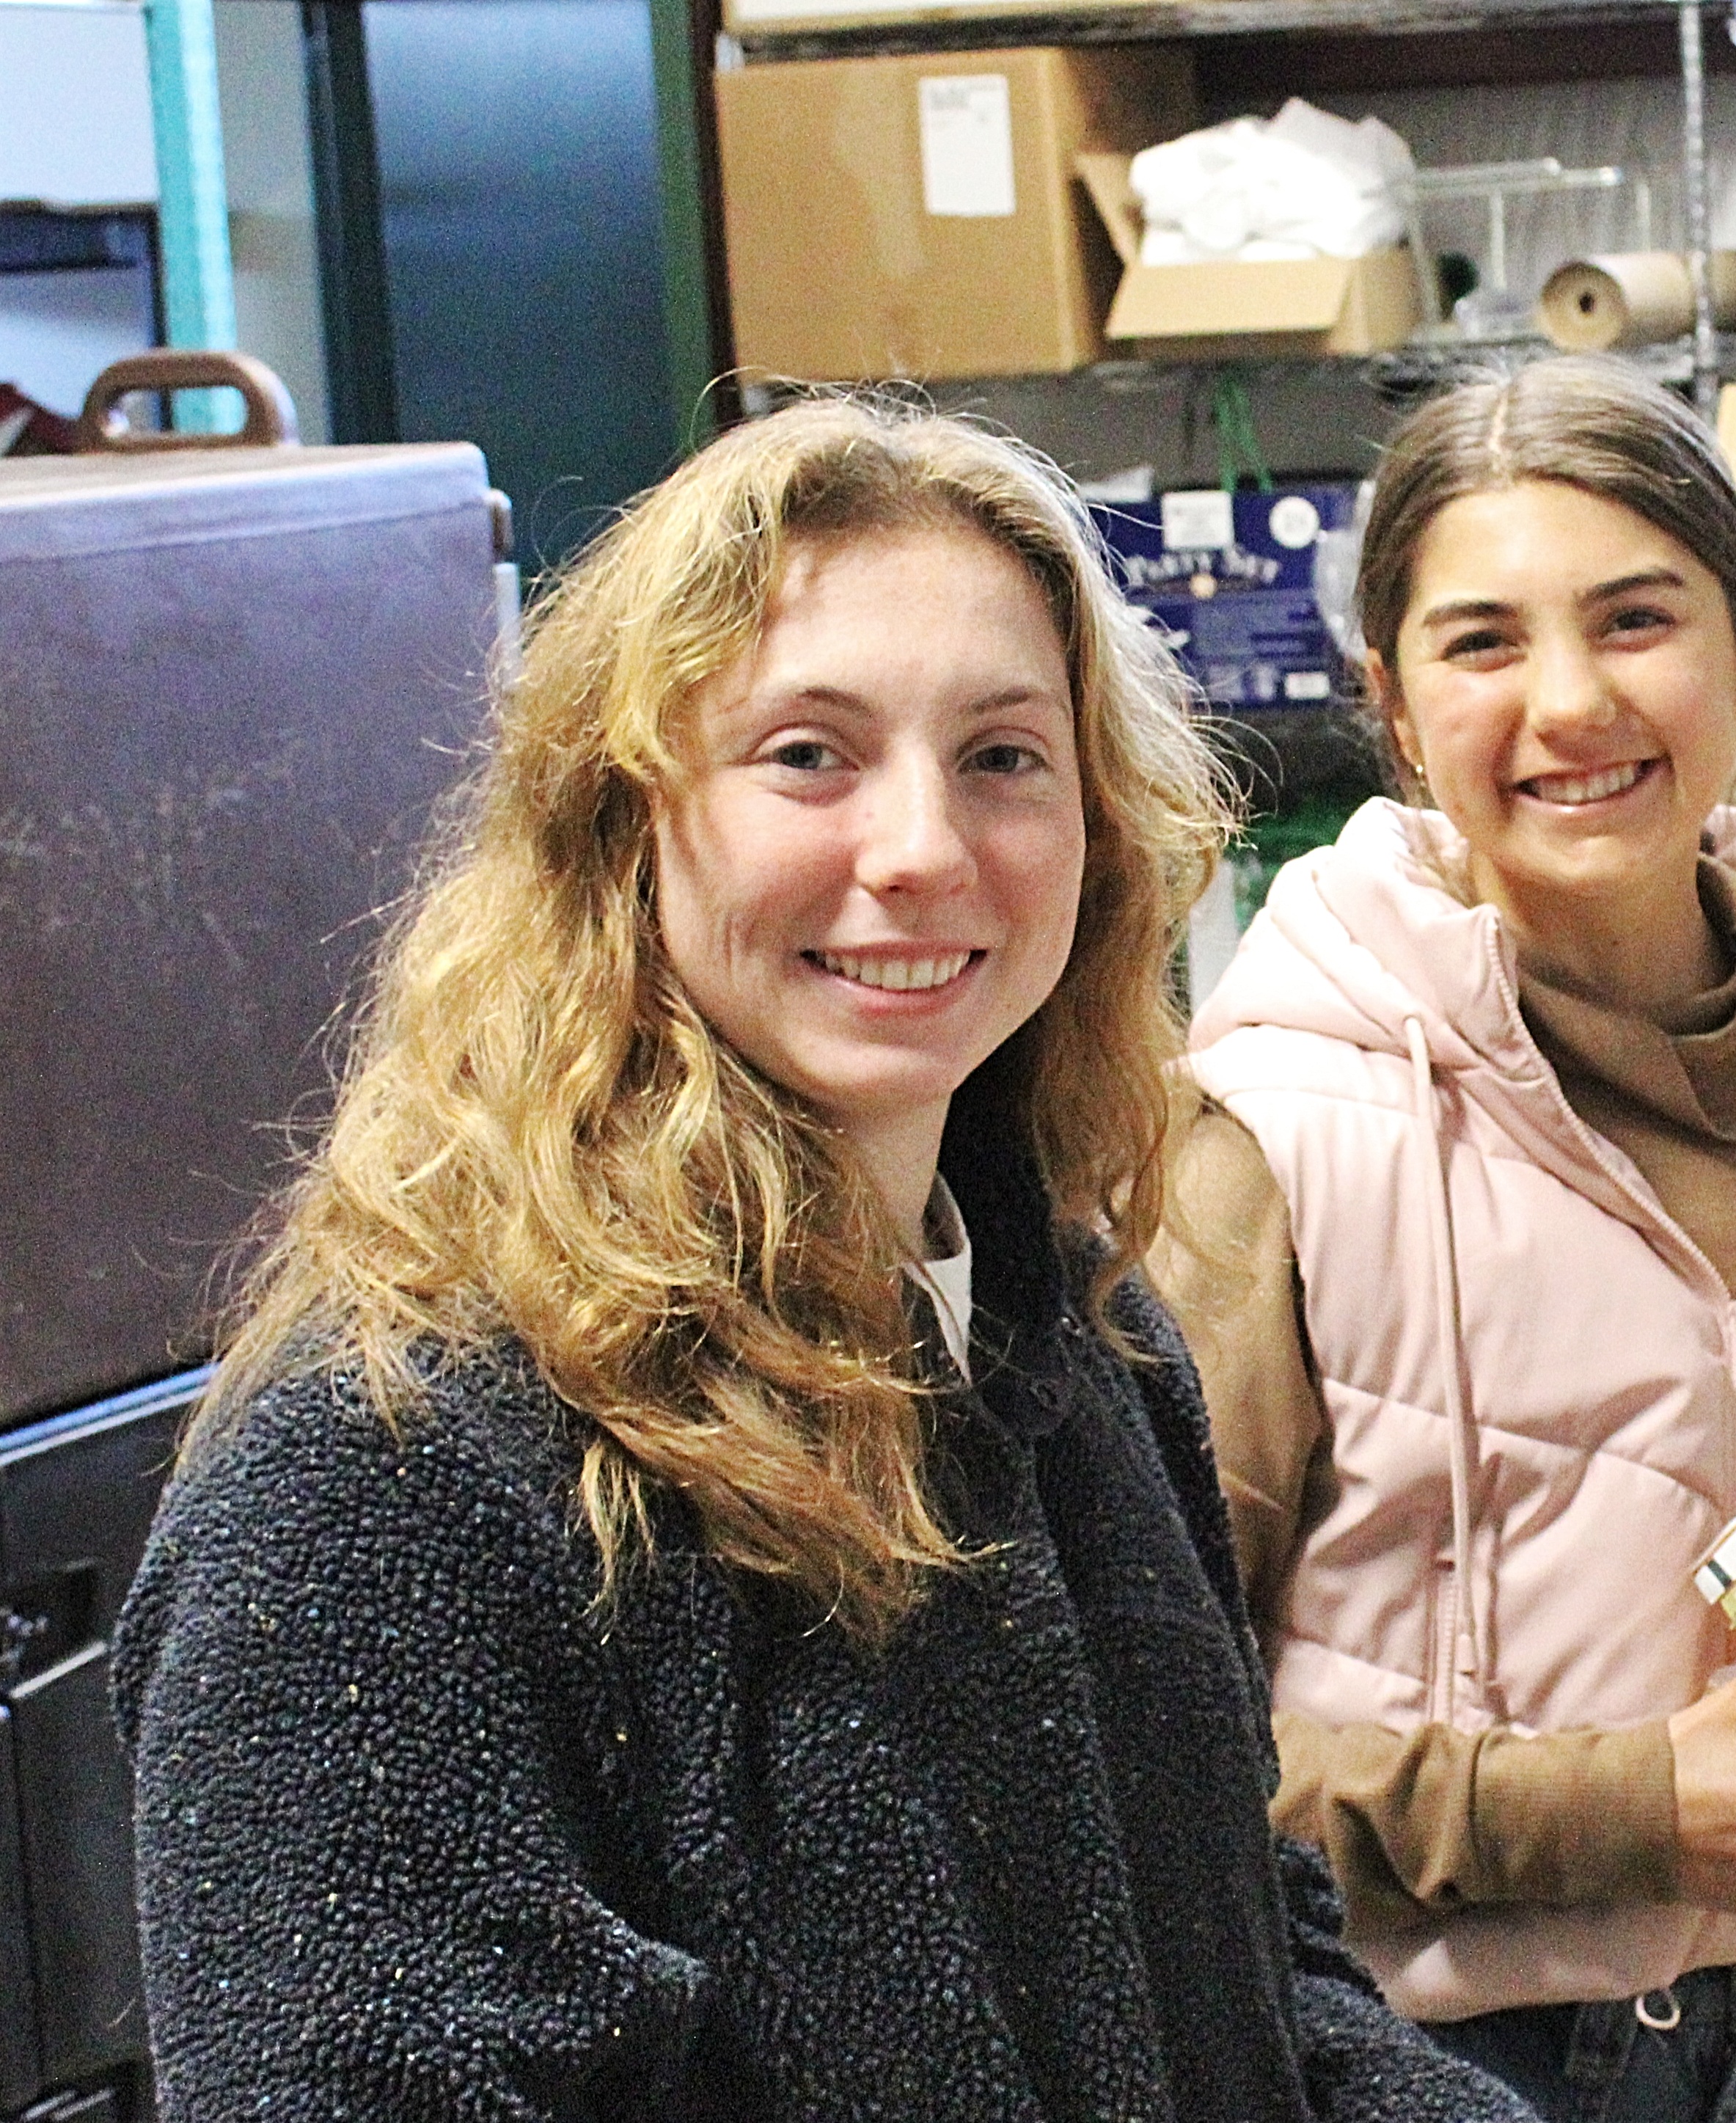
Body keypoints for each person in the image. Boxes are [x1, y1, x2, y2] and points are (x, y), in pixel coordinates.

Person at [113, 398, 1534, 2122]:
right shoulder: (387, 1476)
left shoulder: (1084, 1351)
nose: (924, 849)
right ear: (620, 823)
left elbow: (1256, 1974)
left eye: (1006, 754)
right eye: (810, 753)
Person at [1154, 356, 1736, 2123]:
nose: (1570, 703)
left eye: (1636, 620)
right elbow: (1142, 1757)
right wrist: (1631, 1809)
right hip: (1427, 2069)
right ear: (1396, 705)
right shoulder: (1270, 1129)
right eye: (1484, 642)